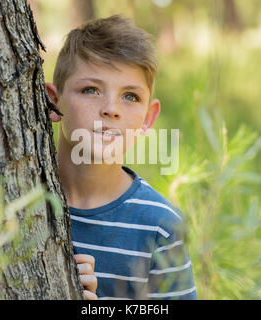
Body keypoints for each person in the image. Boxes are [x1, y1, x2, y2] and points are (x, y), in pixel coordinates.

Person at [46, 15, 197, 300]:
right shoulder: (19, 199)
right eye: (90, 90)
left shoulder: (160, 228)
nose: (111, 109)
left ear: (148, 118)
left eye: (130, 96)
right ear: (53, 103)